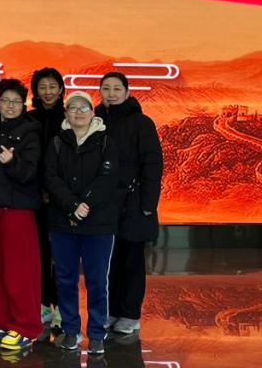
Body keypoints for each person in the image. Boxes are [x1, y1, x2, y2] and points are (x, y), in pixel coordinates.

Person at [44, 90, 118, 355]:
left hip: (98, 224)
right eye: (73, 108)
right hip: (63, 223)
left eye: (83, 107)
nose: (78, 112)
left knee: (97, 280)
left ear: (92, 112)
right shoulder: (56, 142)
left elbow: (108, 178)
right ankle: (71, 330)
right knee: (65, 279)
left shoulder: (105, 142)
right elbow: (51, 177)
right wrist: (72, 205)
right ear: (66, 113)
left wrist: (85, 205)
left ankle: (97, 333)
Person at [0, 78, 42, 352]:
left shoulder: (30, 133)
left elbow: (31, 173)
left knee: (18, 272)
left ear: (23, 104)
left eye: (16, 101)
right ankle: (0, 321)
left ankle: (25, 327)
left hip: (17, 212)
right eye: (5, 101)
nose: (10, 106)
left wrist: (12, 162)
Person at [96, 71, 163, 335]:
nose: (111, 94)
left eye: (116, 89)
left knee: (132, 260)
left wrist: (149, 203)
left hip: (133, 202)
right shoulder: (96, 121)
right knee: (108, 260)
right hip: (104, 203)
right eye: (106, 88)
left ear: (127, 92)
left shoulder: (141, 123)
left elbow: (153, 164)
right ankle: (111, 310)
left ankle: (130, 314)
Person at [30, 66, 65, 329]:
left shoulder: (68, 117)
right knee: (40, 252)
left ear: (61, 89)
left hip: (62, 197)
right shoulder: (29, 119)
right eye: (42, 87)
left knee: (63, 254)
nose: (48, 91)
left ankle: (62, 305)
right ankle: (42, 303)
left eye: (52, 86)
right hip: (34, 197)